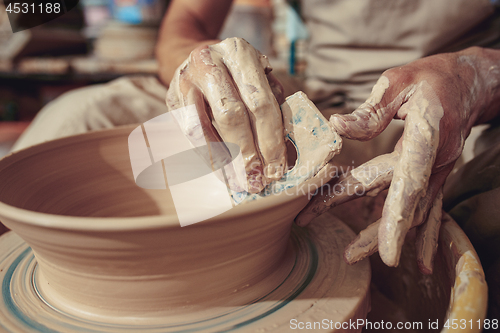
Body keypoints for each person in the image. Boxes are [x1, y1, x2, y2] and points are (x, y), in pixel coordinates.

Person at [10, 0, 500, 320]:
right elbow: (190, 23)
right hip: (323, 110)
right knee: (77, 116)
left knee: (489, 227)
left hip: (459, 103)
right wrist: (200, 58)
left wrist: (477, 73)